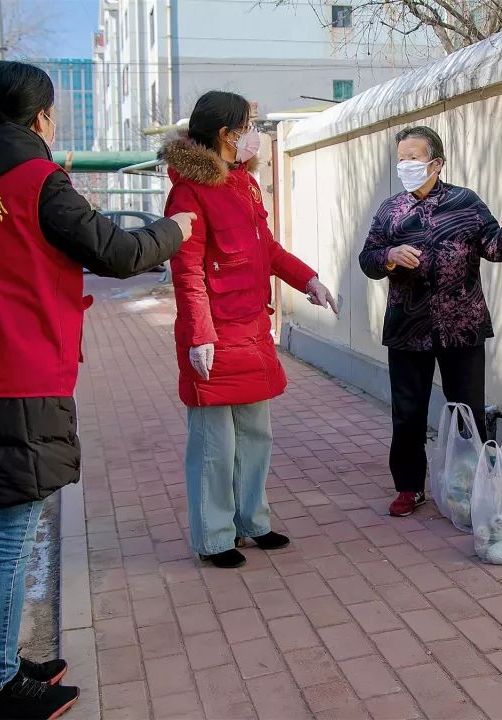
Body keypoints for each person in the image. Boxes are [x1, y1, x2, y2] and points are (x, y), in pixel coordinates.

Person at [0, 61, 193, 719]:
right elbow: (116, 252)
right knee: (8, 540)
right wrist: (175, 232)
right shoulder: (38, 181)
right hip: (17, 382)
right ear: (40, 118)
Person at [161, 91, 338, 569]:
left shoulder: (244, 184)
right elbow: (188, 270)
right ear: (226, 133)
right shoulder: (189, 192)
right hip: (215, 336)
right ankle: (215, 536)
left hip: (252, 329)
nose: (255, 133)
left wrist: (309, 279)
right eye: (249, 124)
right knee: (215, 445)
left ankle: (252, 520)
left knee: (256, 435)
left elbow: (269, 249)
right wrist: (200, 335)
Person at [358, 126, 502, 518]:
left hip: (461, 325)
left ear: (437, 162)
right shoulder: (391, 210)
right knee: (408, 412)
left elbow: (492, 248)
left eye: (413, 157)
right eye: (401, 158)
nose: (405, 165)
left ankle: (475, 486)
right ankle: (409, 487)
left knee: (468, 409)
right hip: (407, 328)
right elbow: (368, 259)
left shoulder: (465, 202)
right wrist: (390, 255)